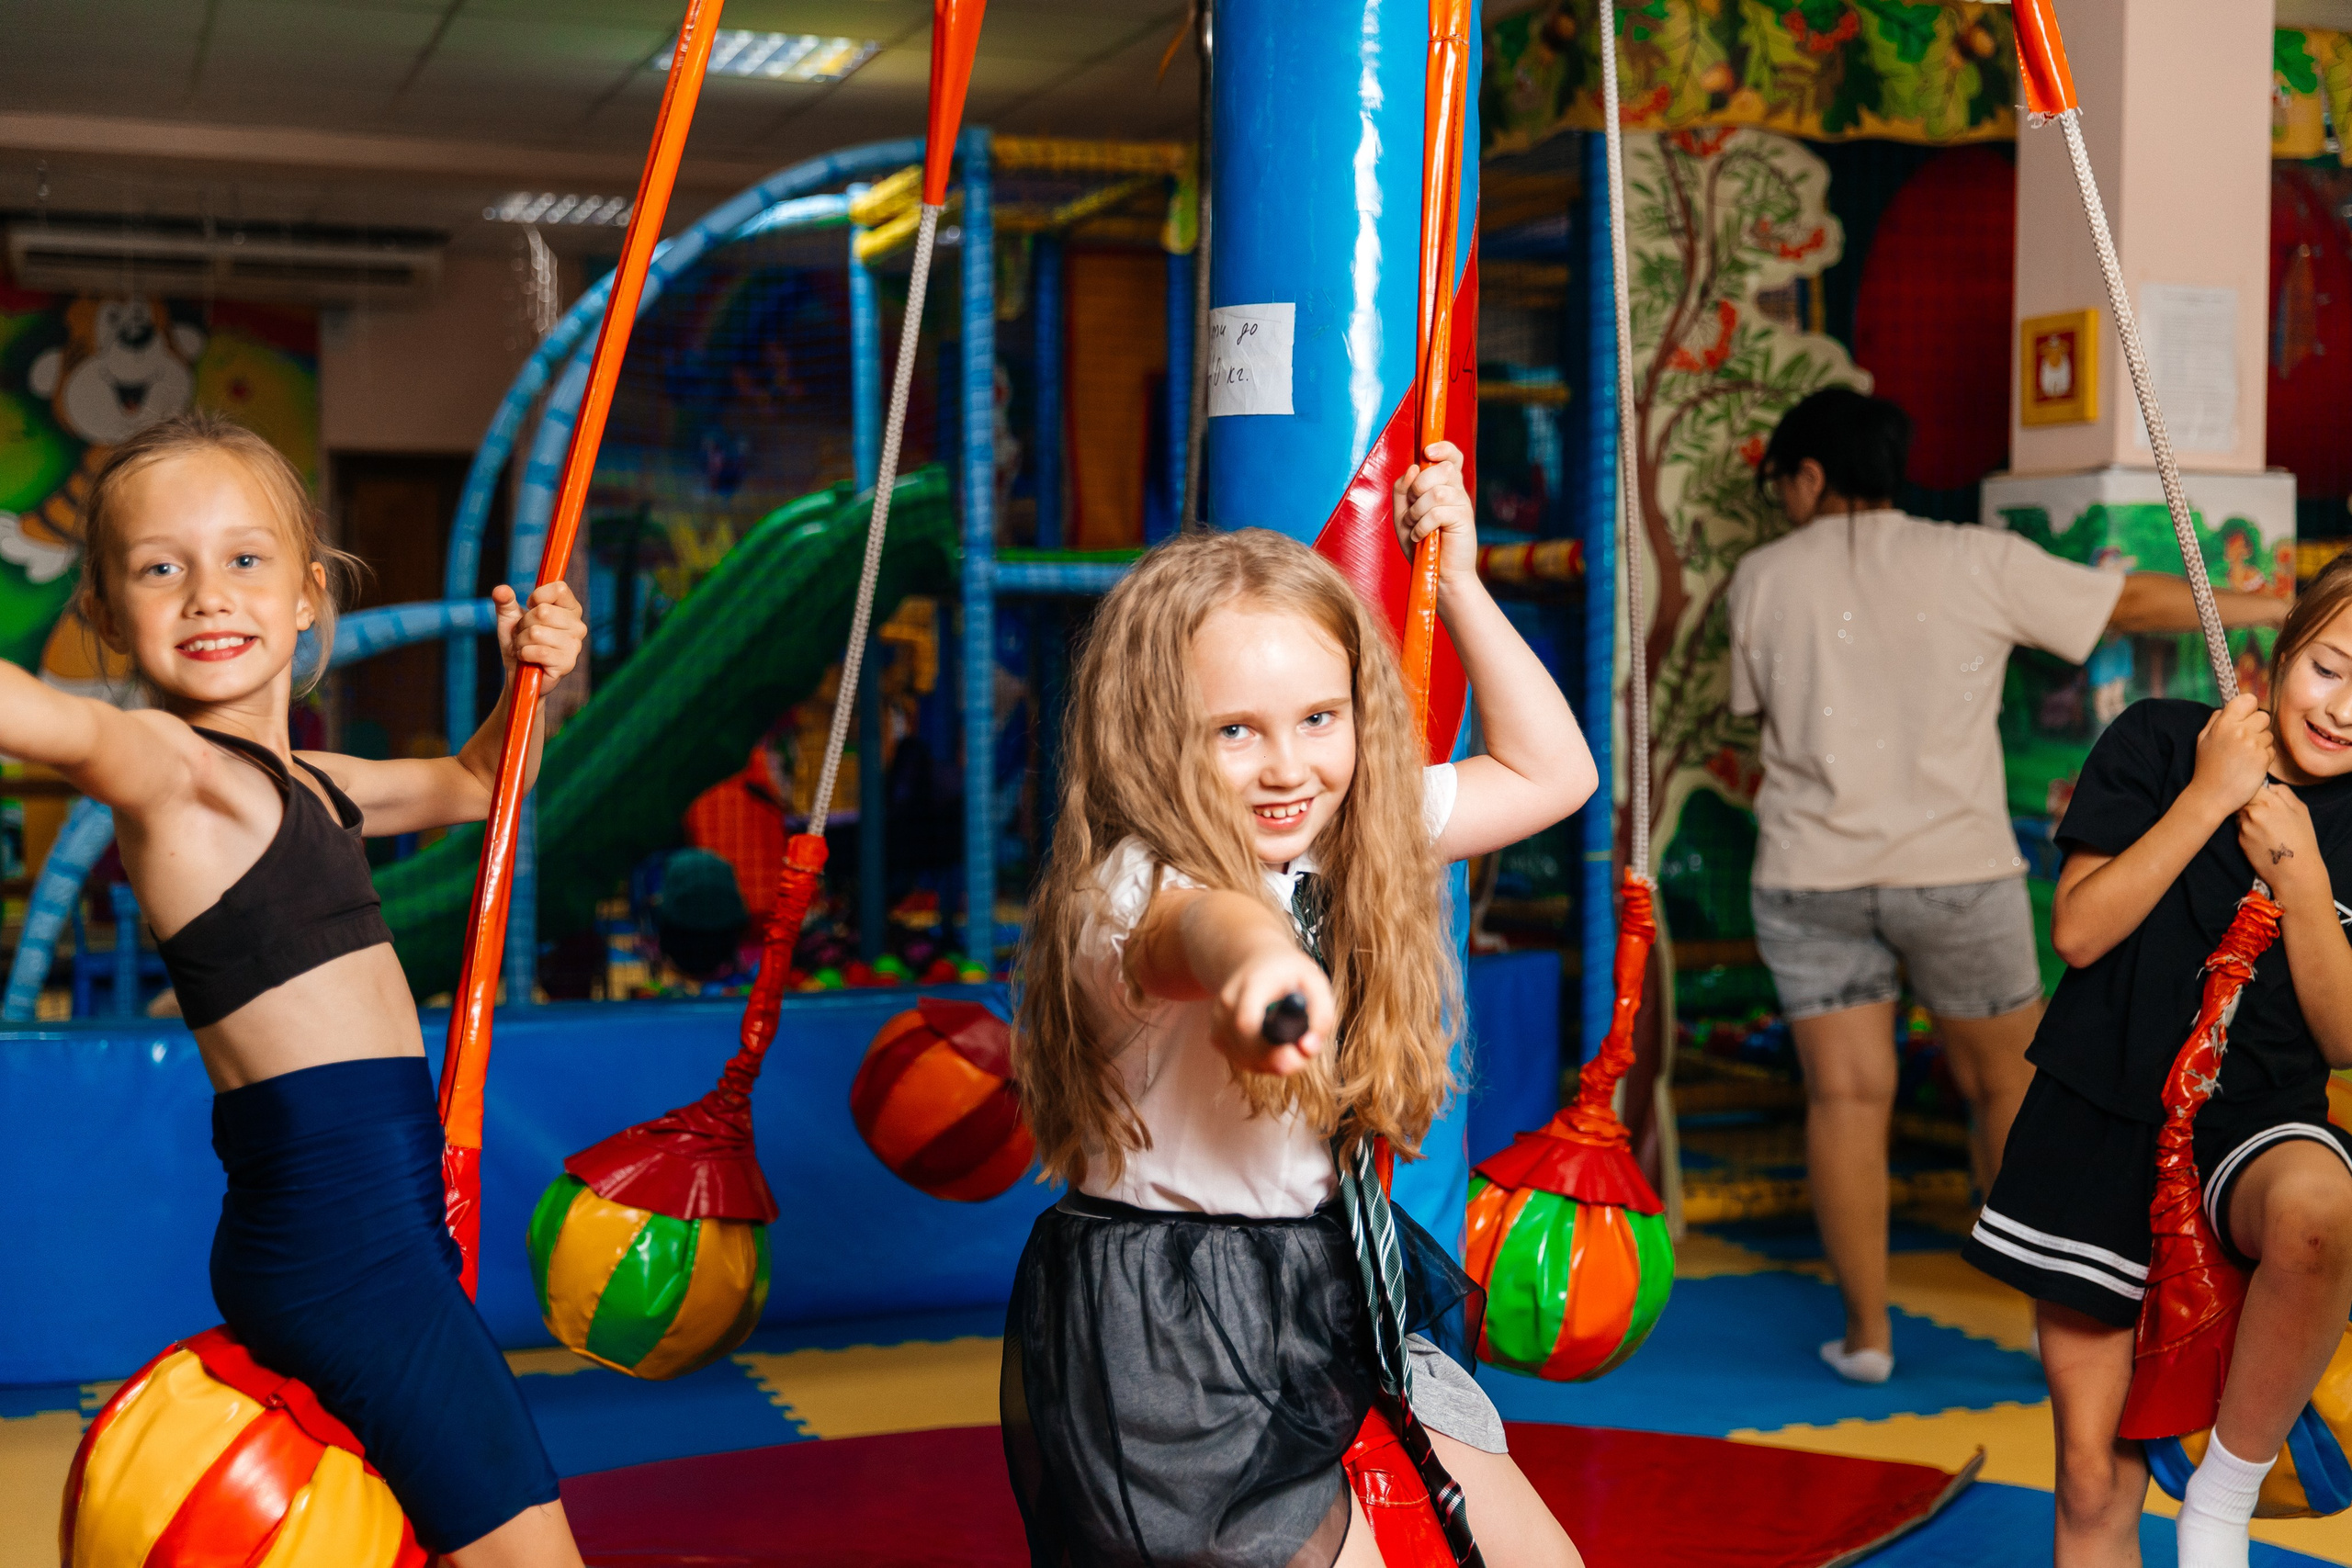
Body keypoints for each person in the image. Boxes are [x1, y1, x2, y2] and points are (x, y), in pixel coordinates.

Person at [3, 412, 589, 1565]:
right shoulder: (175, 774)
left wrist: (543, 676)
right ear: (109, 618)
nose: (207, 594)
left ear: (311, 593)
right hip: (343, 1248)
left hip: (378, 1225)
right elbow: (53, 719)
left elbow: (480, 782)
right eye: (160, 568)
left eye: (245, 559)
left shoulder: (315, 781)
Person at [1003, 443, 1593, 1568]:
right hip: (1166, 1321)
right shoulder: (1127, 889)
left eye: (1319, 719)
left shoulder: (1349, 832)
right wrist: (1262, 981)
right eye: (1235, 732)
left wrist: (1458, 581)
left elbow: (1551, 774)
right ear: (1152, 736)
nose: (1288, 769)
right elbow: (1202, 936)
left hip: (1323, 1276)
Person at [1726, 388, 2287, 1384]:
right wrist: (2281, 606)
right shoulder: (1968, 558)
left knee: (1845, 1098)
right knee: (2010, 1090)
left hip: (1810, 874)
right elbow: (2130, 603)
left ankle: (1865, 1337)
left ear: (1809, 477)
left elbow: (1754, 714)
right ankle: (2051, 1330)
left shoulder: (1759, 577)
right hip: (1956, 870)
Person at [1963, 559, 2352, 1568]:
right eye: (2329, 668)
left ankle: (2221, 1497)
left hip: (2252, 1125)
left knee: (2322, 1213)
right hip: (2100, 1120)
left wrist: (2302, 879)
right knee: (2095, 1476)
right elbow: (2081, 931)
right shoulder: (2156, 740)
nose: (2343, 710)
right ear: (2279, 653)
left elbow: (2346, 1037)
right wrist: (2209, 797)